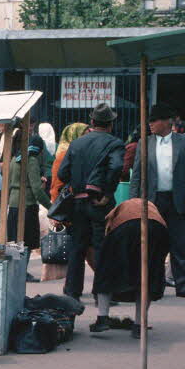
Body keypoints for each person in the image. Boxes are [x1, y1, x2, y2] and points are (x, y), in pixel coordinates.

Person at [131, 102, 185, 299]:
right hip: (152, 201)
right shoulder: (145, 143)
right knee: (152, 245)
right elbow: (137, 174)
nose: (150, 124)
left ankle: (184, 286)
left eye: (154, 120)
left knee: (179, 245)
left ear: (167, 122)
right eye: (149, 120)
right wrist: (134, 202)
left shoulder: (183, 142)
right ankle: (155, 285)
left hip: (176, 199)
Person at [59, 104, 125, 301]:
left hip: (78, 204)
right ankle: (102, 293)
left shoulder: (77, 144)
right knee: (101, 248)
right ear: (110, 124)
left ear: (92, 122)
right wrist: (107, 192)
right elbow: (116, 167)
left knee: (77, 248)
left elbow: (63, 173)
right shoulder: (114, 143)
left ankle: (72, 292)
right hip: (100, 204)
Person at [88, 197, 171, 338]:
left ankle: (102, 318)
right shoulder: (151, 207)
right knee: (147, 277)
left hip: (124, 228)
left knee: (106, 272)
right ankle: (139, 325)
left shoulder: (113, 214)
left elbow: (107, 234)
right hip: (157, 229)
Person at [6, 129, 50, 257]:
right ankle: (23, 271)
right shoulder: (31, 160)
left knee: (14, 242)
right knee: (27, 242)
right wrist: (51, 207)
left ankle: (15, 271)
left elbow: (12, 181)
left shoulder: (15, 159)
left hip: (13, 204)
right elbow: (37, 189)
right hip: (27, 205)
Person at [51, 122, 89, 196]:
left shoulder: (80, 152)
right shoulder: (64, 154)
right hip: (64, 200)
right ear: (75, 136)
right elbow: (57, 184)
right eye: (84, 136)